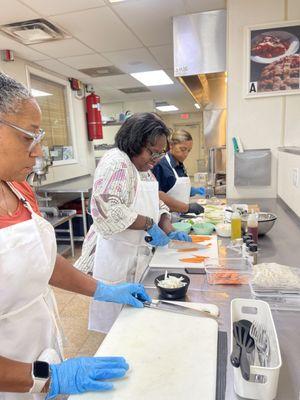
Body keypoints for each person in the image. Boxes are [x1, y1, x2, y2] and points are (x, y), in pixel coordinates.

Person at [0, 72, 151, 399]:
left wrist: (103, 290)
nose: (38, 153)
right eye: (28, 137)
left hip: (39, 348)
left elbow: (42, 263)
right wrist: (44, 377)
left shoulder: (18, 187)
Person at [76, 113, 191, 333]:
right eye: (152, 152)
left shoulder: (143, 169)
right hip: (115, 255)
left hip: (137, 253)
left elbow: (159, 203)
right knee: (116, 326)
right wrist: (149, 224)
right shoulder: (117, 163)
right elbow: (109, 210)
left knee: (134, 318)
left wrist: (168, 226)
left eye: (160, 153)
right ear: (134, 142)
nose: (156, 158)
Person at [152, 129, 205, 215]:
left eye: (189, 150)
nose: (186, 154)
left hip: (182, 217)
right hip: (167, 218)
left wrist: (191, 191)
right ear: (171, 145)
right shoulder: (161, 165)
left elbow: (173, 188)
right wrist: (187, 208)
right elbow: (157, 196)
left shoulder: (180, 164)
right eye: (183, 149)